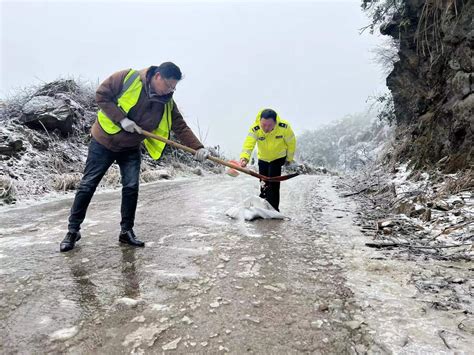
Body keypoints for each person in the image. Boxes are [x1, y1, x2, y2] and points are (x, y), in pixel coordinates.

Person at [60, 62, 210, 252]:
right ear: (157, 77)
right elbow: (101, 95)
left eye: (174, 87)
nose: (171, 90)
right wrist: (121, 118)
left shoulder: (167, 103)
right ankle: (73, 231)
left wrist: (198, 147)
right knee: (88, 185)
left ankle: (126, 231)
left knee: (131, 187)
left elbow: (179, 126)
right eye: (169, 85)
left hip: (130, 147)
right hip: (104, 141)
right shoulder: (127, 78)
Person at [239, 108, 296, 211]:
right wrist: (244, 158)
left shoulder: (284, 127)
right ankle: (263, 205)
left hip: (278, 158)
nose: (266, 128)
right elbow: (249, 144)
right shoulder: (255, 129)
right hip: (263, 159)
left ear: (275, 122)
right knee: (263, 182)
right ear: (260, 121)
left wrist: (289, 159)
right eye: (263, 125)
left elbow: (291, 143)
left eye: (269, 125)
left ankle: (273, 209)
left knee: (273, 183)